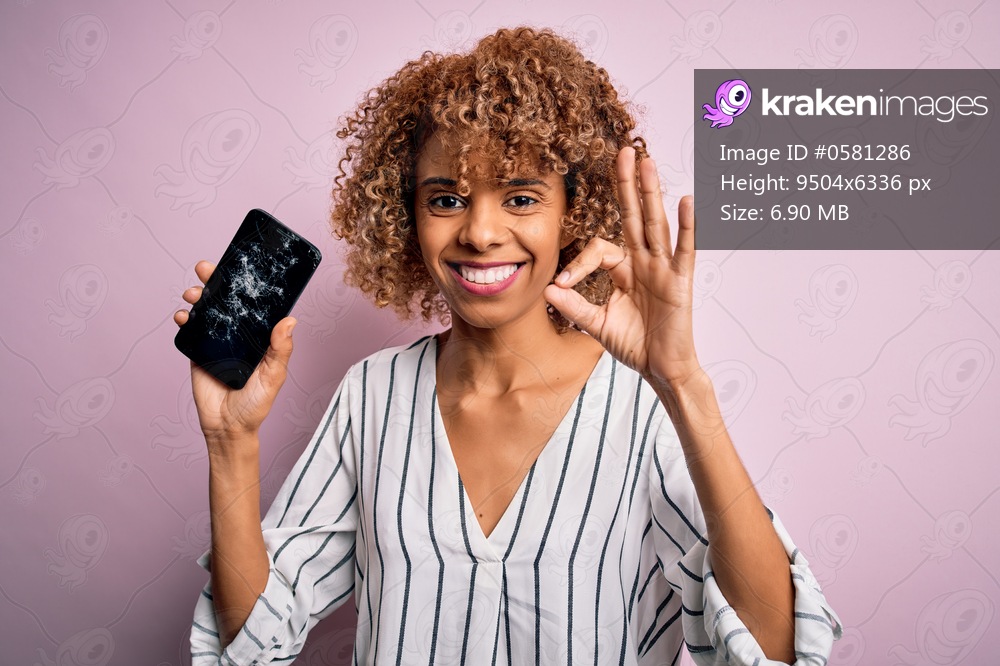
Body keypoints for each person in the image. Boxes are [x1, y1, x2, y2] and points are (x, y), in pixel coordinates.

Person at [180, 26, 840, 665]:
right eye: (446, 199)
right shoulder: (372, 395)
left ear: (572, 215)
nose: (481, 232)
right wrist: (229, 446)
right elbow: (254, 640)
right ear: (407, 217)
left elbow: (776, 649)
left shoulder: (646, 409)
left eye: (521, 196)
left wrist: (682, 382)